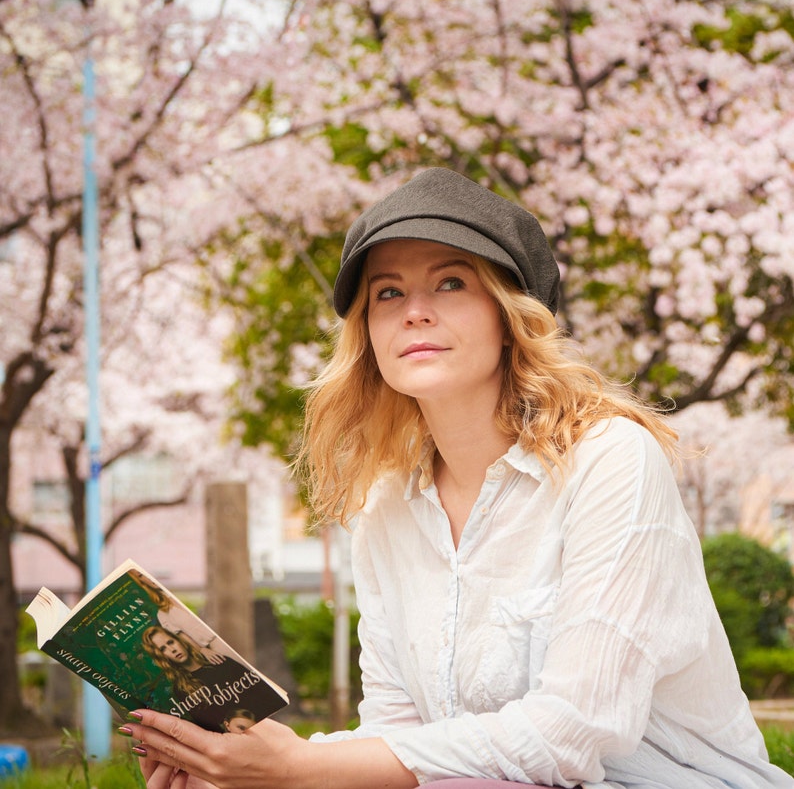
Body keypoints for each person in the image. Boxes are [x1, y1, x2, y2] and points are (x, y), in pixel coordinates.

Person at [122, 168, 794, 788]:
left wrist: (300, 767)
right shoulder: (386, 508)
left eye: (450, 282)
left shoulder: (611, 459)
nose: (414, 310)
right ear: (369, 335)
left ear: (510, 316)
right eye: (388, 292)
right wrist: (242, 764)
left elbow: (573, 732)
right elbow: (400, 741)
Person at [140, 625, 283, 733]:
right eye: (163, 649)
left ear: (179, 640)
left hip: (267, 727)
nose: (172, 650)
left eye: (170, 642)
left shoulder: (218, 661)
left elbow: (262, 693)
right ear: (162, 657)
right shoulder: (181, 688)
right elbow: (211, 728)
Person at [130, 569, 233, 664]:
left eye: (149, 571)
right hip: (214, 648)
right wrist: (203, 650)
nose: (149, 577)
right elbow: (182, 636)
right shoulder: (162, 614)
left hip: (229, 634)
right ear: (141, 582)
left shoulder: (189, 591)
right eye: (141, 575)